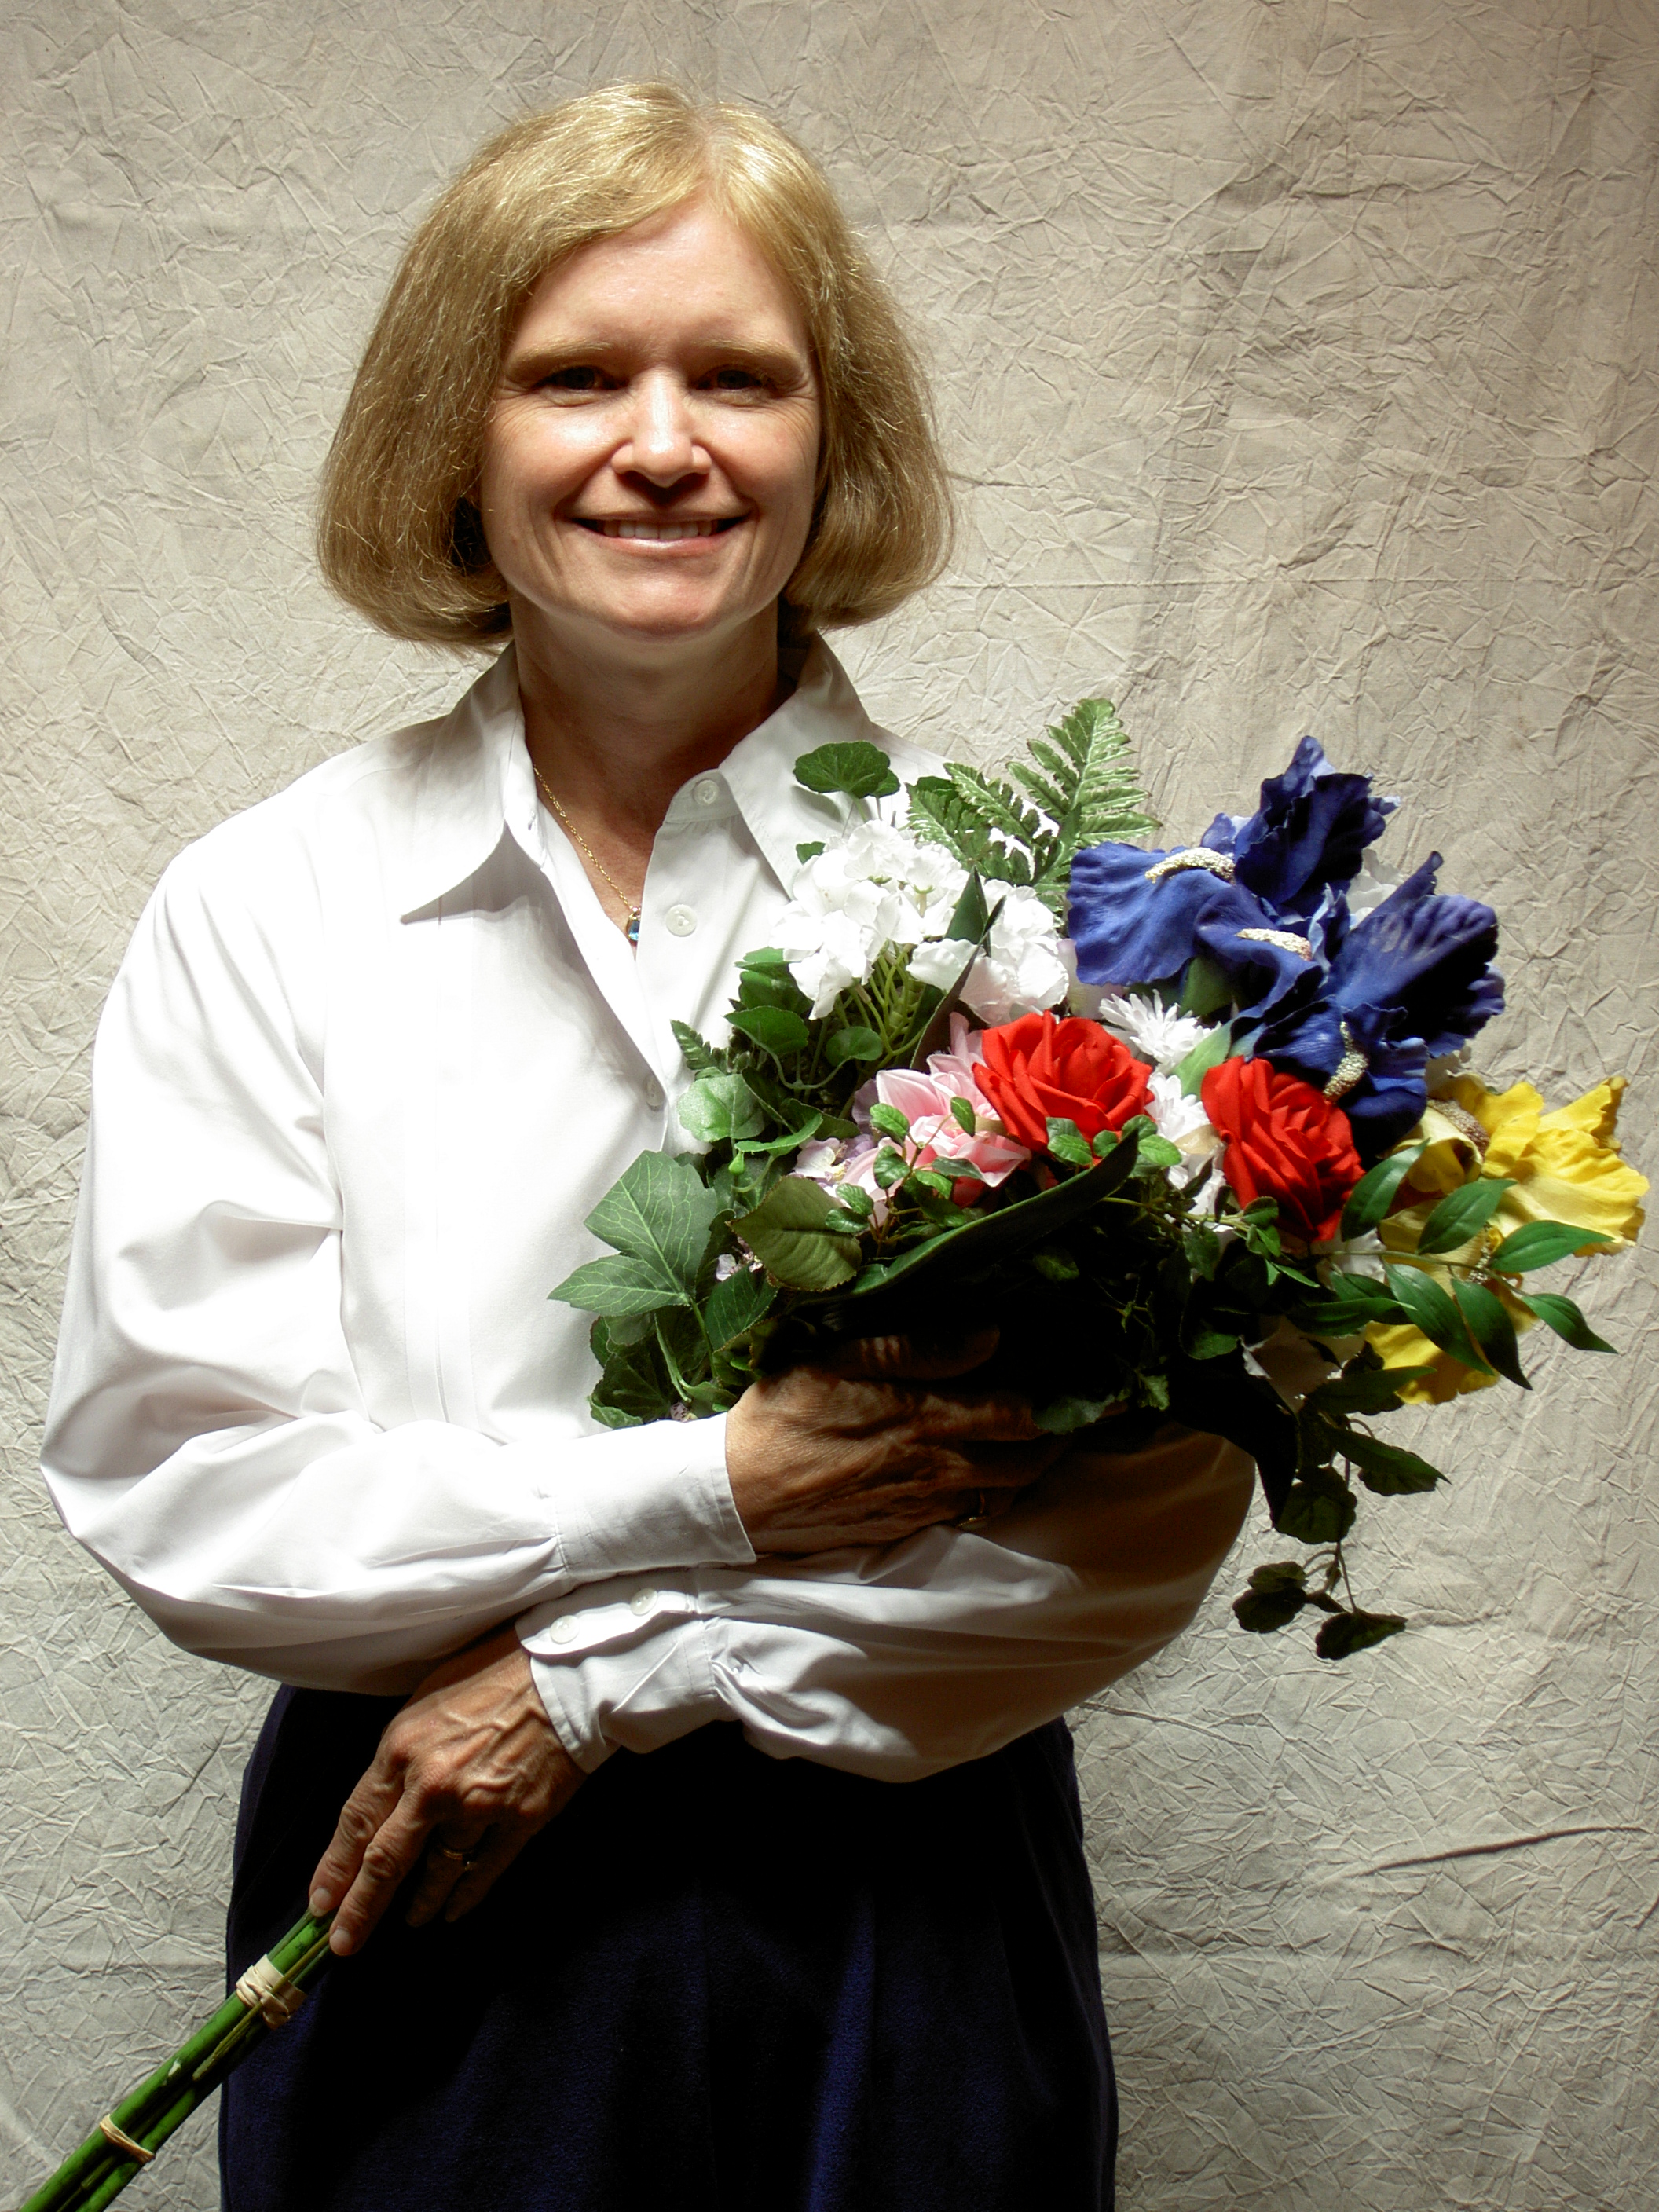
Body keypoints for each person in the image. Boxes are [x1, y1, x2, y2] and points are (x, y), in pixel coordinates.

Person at [42, 82, 1255, 2212]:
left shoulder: (1033, 918)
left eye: (742, 379)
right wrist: (713, 1491)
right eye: (577, 376)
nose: (666, 443)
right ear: (454, 433)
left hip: (904, 1911)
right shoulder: (271, 903)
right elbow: (185, 1481)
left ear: (833, 436)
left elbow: (1145, 1505)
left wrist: (614, 1669)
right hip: (424, 1873)